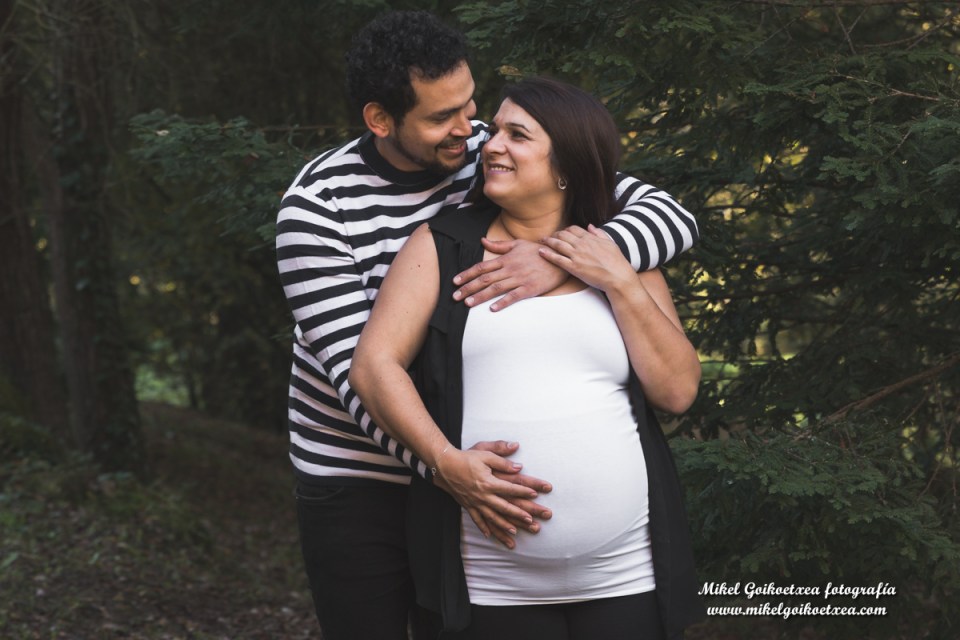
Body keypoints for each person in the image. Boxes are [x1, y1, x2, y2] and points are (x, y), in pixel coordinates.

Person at [276, 11, 699, 640]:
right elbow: (357, 375)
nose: (468, 130)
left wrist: (563, 259)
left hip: (468, 481)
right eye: (441, 117)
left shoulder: (490, 150)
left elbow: (666, 215)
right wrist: (450, 468)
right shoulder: (317, 208)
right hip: (358, 475)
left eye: (470, 104)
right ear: (380, 119)